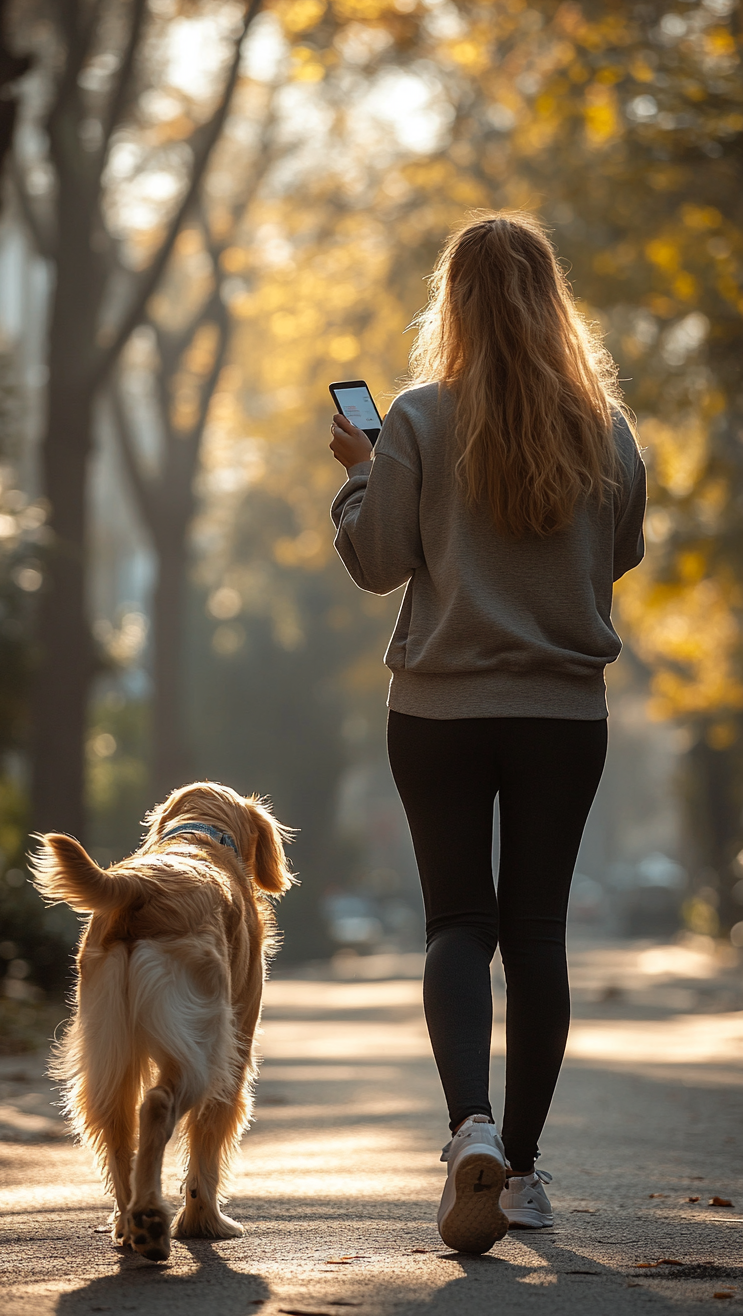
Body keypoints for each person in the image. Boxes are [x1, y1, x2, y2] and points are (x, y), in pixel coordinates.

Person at [327, 211, 646, 1256]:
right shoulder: (604, 426)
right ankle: (524, 1171)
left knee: (456, 921)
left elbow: (376, 560)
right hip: (562, 711)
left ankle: (469, 1123)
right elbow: (623, 551)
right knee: (539, 931)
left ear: (451, 304)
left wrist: (361, 471)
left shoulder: (415, 418)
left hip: (437, 710)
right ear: (552, 302)